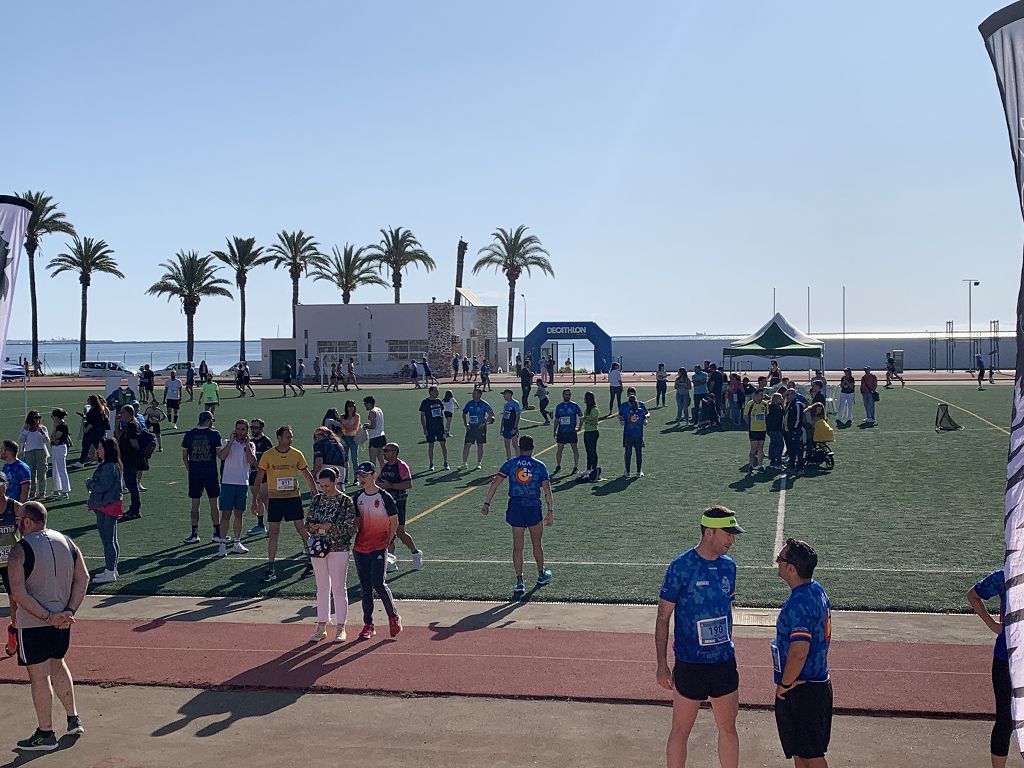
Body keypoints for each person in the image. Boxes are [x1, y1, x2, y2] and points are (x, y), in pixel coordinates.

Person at [655, 506, 744, 768]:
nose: (732, 539)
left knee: (728, 728)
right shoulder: (681, 567)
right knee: (681, 730)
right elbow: (663, 618)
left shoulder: (729, 567)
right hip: (690, 663)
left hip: (723, 662)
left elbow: (726, 609)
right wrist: (662, 664)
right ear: (709, 532)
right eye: (728, 534)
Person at [7, 501, 87, 752]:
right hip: (63, 622)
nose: (17, 524)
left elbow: (18, 593)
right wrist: (69, 611)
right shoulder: (67, 541)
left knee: (39, 676)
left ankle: (45, 733)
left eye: (19, 520)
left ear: (28, 522)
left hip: (34, 624)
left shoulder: (20, 549)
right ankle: (73, 718)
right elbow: (82, 577)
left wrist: (47, 616)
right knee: (58, 663)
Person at [773, 538, 833, 768]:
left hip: (803, 689)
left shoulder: (799, 602)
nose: (777, 562)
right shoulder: (816, 590)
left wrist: (785, 685)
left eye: (781, 558)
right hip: (815, 685)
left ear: (791, 568)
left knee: (811, 756)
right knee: (801, 752)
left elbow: (799, 651)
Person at [480, 435, 553, 596]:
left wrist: (487, 503)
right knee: (537, 543)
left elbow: (495, 483)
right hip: (533, 506)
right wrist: (550, 511)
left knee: (518, 545)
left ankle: (519, 581)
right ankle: (541, 574)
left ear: (519, 448)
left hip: (516, 506)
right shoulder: (540, 466)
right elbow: (547, 490)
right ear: (532, 448)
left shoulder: (510, 464)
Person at [256, 425, 317, 582]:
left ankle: (312, 561)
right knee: (274, 532)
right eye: (288, 437)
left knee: (302, 529)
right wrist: (255, 499)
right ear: (280, 438)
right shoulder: (268, 455)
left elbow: (306, 474)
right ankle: (270, 566)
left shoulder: (296, 454)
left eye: (291, 437)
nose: (291, 439)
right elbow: (259, 477)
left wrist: (315, 493)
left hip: (292, 498)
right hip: (275, 499)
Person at [305, 467, 358, 643]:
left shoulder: (346, 501)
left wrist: (328, 528)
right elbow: (308, 522)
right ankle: (321, 625)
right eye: (321, 486)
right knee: (321, 587)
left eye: (327, 485)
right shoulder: (317, 499)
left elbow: (350, 528)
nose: (324, 489)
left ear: (336, 481)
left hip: (339, 548)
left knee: (338, 587)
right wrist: (315, 527)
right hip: (318, 548)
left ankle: (341, 627)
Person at [968, 566, 1013, 768]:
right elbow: (973, 595)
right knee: (1005, 720)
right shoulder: (1004, 577)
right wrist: (993, 624)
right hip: (1006, 659)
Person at [351, 462, 402, 639]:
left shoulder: (385, 497)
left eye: (364, 475)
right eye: (359, 476)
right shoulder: (357, 497)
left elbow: (394, 520)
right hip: (360, 547)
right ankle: (368, 624)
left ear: (374, 475)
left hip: (379, 546)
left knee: (378, 584)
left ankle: (393, 617)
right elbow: (356, 521)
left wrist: (389, 539)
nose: (361, 479)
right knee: (365, 588)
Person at [1, 440, 31, 656]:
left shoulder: (15, 507)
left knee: (14, 603)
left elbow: (30, 529)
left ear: (4, 486)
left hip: (10, 562)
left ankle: (15, 636)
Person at [378, 442, 422, 573]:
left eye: (386, 450)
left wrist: (390, 485)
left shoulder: (401, 466)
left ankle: (415, 553)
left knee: (399, 532)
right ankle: (390, 562)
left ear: (394, 452)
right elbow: (380, 482)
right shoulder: (385, 467)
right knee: (388, 532)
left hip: (399, 501)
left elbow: (408, 484)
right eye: (384, 450)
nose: (384, 452)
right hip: (387, 503)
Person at [216, 420, 256, 557]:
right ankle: (222, 543)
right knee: (226, 514)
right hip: (228, 482)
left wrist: (247, 446)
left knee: (239, 513)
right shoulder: (227, 442)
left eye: (243, 429)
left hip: (242, 483)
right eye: (238, 429)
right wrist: (231, 442)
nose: (240, 432)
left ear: (247, 431)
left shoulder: (250, 445)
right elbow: (221, 456)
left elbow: (252, 462)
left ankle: (237, 542)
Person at [181, 411, 222, 543]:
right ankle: (217, 532)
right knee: (213, 504)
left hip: (195, 473)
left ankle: (194, 533)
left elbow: (185, 457)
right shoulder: (214, 434)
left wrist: (191, 469)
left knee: (195, 504)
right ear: (209, 420)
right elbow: (219, 454)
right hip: (210, 473)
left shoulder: (189, 434)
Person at [86, 437, 124, 583]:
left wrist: (89, 483)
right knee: (111, 539)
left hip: (107, 505)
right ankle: (112, 569)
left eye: (101, 448)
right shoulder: (112, 465)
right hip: (107, 504)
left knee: (108, 540)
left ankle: (110, 572)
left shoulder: (109, 467)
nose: (98, 450)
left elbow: (102, 486)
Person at [116, 405, 146, 521]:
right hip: (128, 460)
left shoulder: (132, 425)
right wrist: (117, 423)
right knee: (131, 485)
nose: (120, 414)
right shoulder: (129, 425)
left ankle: (135, 510)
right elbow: (119, 437)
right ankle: (134, 509)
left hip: (131, 460)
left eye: (122, 412)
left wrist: (133, 452)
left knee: (132, 485)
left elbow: (134, 443)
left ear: (128, 413)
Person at [246, 418, 274, 535]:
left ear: (261, 428)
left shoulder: (266, 442)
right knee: (258, 499)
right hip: (252, 475)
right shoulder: (250, 442)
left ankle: (272, 525)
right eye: (251, 428)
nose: (253, 430)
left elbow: (270, 459)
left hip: (263, 475)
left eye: (255, 428)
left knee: (265, 499)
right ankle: (260, 524)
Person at [460, 388, 495, 471]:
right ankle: (464, 463)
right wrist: (466, 424)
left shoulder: (483, 404)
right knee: (467, 445)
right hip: (471, 427)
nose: (473, 395)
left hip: (480, 428)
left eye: (475, 393)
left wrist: (484, 423)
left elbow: (491, 413)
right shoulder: (470, 403)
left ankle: (479, 463)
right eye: (473, 393)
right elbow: (464, 413)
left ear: (479, 395)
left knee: (480, 445)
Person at [69, 395, 109, 469]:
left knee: (92, 446)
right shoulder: (99, 409)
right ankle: (83, 461)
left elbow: (93, 422)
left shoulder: (95, 410)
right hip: (97, 431)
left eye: (89, 400)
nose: (88, 401)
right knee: (90, 447)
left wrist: (86, 429)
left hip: (93, 432)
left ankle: (98, 461)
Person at [19, 411, 50, 500]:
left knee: (42, 473)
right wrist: (26, 431)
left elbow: (46, 441)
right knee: (31, 474)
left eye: (39, 417)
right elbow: (21, 440)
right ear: (31, 418)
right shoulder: (26, 428)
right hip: (29, 452)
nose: (38, 420)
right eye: (36, 417)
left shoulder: (43, 428)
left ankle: (42, 493)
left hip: (41, 452)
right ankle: (32, 492)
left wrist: (42, 432)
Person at [619, 388, 649, 478]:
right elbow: (645, 422)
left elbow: (622, 422)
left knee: (628, 453)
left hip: (628, 434)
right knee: (638, 453)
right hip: (638, 435)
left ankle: (628, 472)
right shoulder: (640, 411)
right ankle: (638, 471)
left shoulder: (627, 410)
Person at [419, 386, 449, 471]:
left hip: (440, 427)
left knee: (443, 444)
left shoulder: (439, 401)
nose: (438, 393)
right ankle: (431, 464)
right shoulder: (425, 402)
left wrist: (445, 426)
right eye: (436, 391)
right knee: (431, 445)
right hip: (430, 427)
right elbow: (422, 416)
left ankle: (446, 463)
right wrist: (424, 428)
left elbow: (441, 413)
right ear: (431, 392)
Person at [553, 388, 583, 474]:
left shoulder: (575, 405)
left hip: (571, 432)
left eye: (569, 394)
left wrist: (580, 428)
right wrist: (554, 430)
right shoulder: (559, 406)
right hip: (561, 431)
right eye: (566, 394)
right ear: (563, 395)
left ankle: (575, 467)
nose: (568, 396)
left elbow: (581, 417)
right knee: (559, 449)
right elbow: (557, 419)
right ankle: (558, 465)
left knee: (575, 449)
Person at [743, 389, 769, 473]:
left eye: (762, 395)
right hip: (753, 430)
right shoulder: (750, 404)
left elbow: (766, 415)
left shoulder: (765, 404)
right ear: (756, 395)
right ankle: (750, 465)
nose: (762, 397)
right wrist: (750, 425)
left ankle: (760, 466)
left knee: (760, 447)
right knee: (753, 448)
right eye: (760, 395)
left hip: (762, 429)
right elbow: (745, 416)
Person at [49, 409, 72, 500]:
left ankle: (65, 491)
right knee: (55, 470)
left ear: (56, 417)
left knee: (62, 469)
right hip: (55, 448)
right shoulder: (58, 426)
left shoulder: (63, 426)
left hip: (60, 448)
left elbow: (55, 437)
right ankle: (56, 490)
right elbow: (52, 438)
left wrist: (54, 427)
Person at [581, 391, 602, 481]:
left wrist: (586, 420)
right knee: (588, 451)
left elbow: (595, 422)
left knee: (592, 451)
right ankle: (588, 468)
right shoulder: (587, 409)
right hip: (587, 432)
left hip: (593, 432)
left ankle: (594, 468)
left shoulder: (594, 409)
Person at [784, 388, 806, 477]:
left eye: (788, 395)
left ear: (793, 394)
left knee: (798, 449)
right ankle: (792, 466)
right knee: (791, 450)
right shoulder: (789, 404)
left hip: (794, 431)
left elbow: (798, 418)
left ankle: (800, 467)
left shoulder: (797, 404)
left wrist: (795, 429)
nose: (787, 397)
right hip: (787, 431)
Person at [362, 396, 386, 467]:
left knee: (372, 461)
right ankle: (383, 474)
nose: (365, 405)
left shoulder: (372, 412)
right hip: (381, 436)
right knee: (381, 459)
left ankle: (373, 477)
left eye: (365, 404)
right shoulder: (379, 410)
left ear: (369, 403)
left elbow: (373, 426)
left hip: (375, 438)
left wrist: (366, 426)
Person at [501, 388, 523, 460]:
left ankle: (518, 458)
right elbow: (504, 416)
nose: (503, 396)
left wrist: (515, 427)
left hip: (512, 426)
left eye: (504, 394)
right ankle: (508, 459)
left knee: (515, 444)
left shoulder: (515, 403)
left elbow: (518, 415)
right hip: (506, 427)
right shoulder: (506, 405)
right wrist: (501, 427)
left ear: (509, 395)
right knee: (507, 445)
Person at [766, 392, 787, 471]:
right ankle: (777, 462)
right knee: (779, 445)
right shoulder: (772, 407)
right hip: (773, 429)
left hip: (777, 428)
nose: (781, 400)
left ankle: (773, 461)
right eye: (780, 398)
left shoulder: (779, 406)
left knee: (773, 444)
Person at [340, 400, 361, 473]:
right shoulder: (342, 416)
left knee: (354, 458)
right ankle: (345, 477)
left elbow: (356, 428)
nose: (351, 408)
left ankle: (356, 477)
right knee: (345, 459)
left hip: (353, 438)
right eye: (349, 406)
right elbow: (340, 428)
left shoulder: (356, 416)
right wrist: (345, 430)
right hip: (344, 438)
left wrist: (346, 429)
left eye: (353, 406)